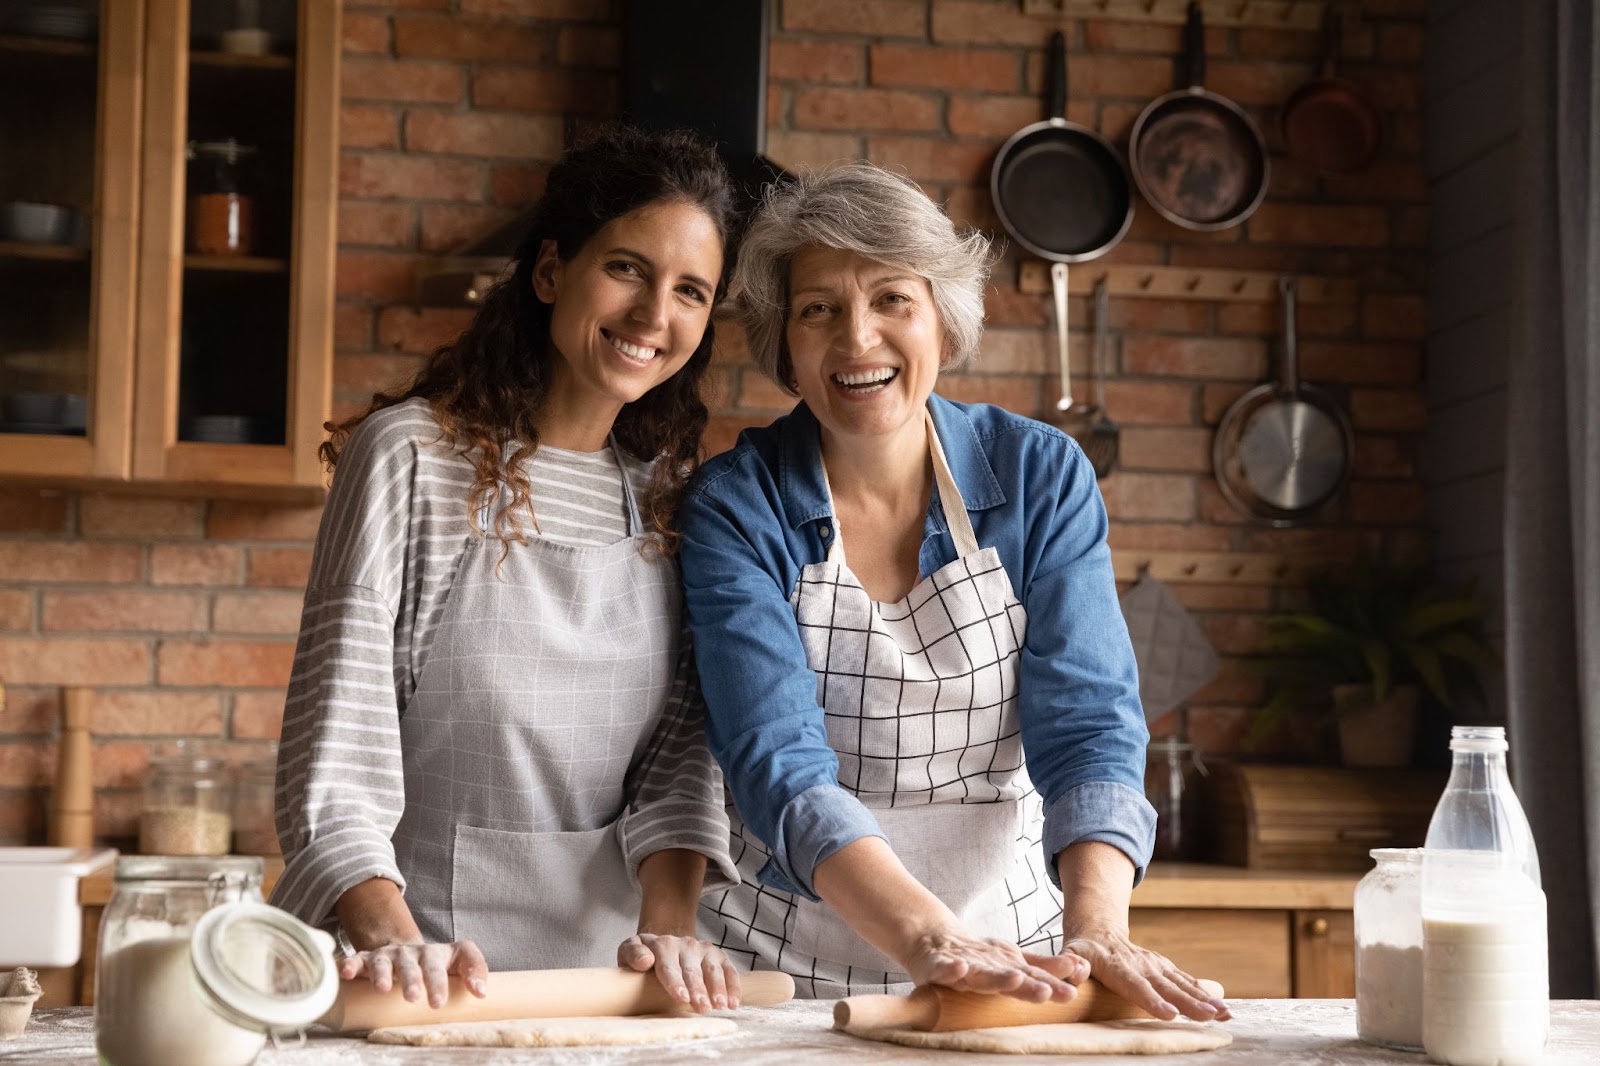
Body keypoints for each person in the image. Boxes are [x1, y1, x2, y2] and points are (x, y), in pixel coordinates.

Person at [677, 162, 1229, 1021]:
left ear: (944, 316)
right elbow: (775, 762)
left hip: (1016, 961)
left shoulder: (1039, 475)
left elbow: (1088, 726)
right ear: (786, 340)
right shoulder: (737, 506)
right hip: (780, 973)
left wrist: (1098, 930)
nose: (858, 340)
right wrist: (925, 938)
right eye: (819, 308)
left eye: (892, 299)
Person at [271, 127, 743, 1015]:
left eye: (691, 291)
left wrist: (672, 928)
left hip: (601, 987)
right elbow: (339, 737)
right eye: (628, 269)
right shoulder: (412, 457)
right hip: (410, 973)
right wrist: (393, 941)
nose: (654, 316)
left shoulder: (670, 500)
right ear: (551, 272)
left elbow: (683, 755)